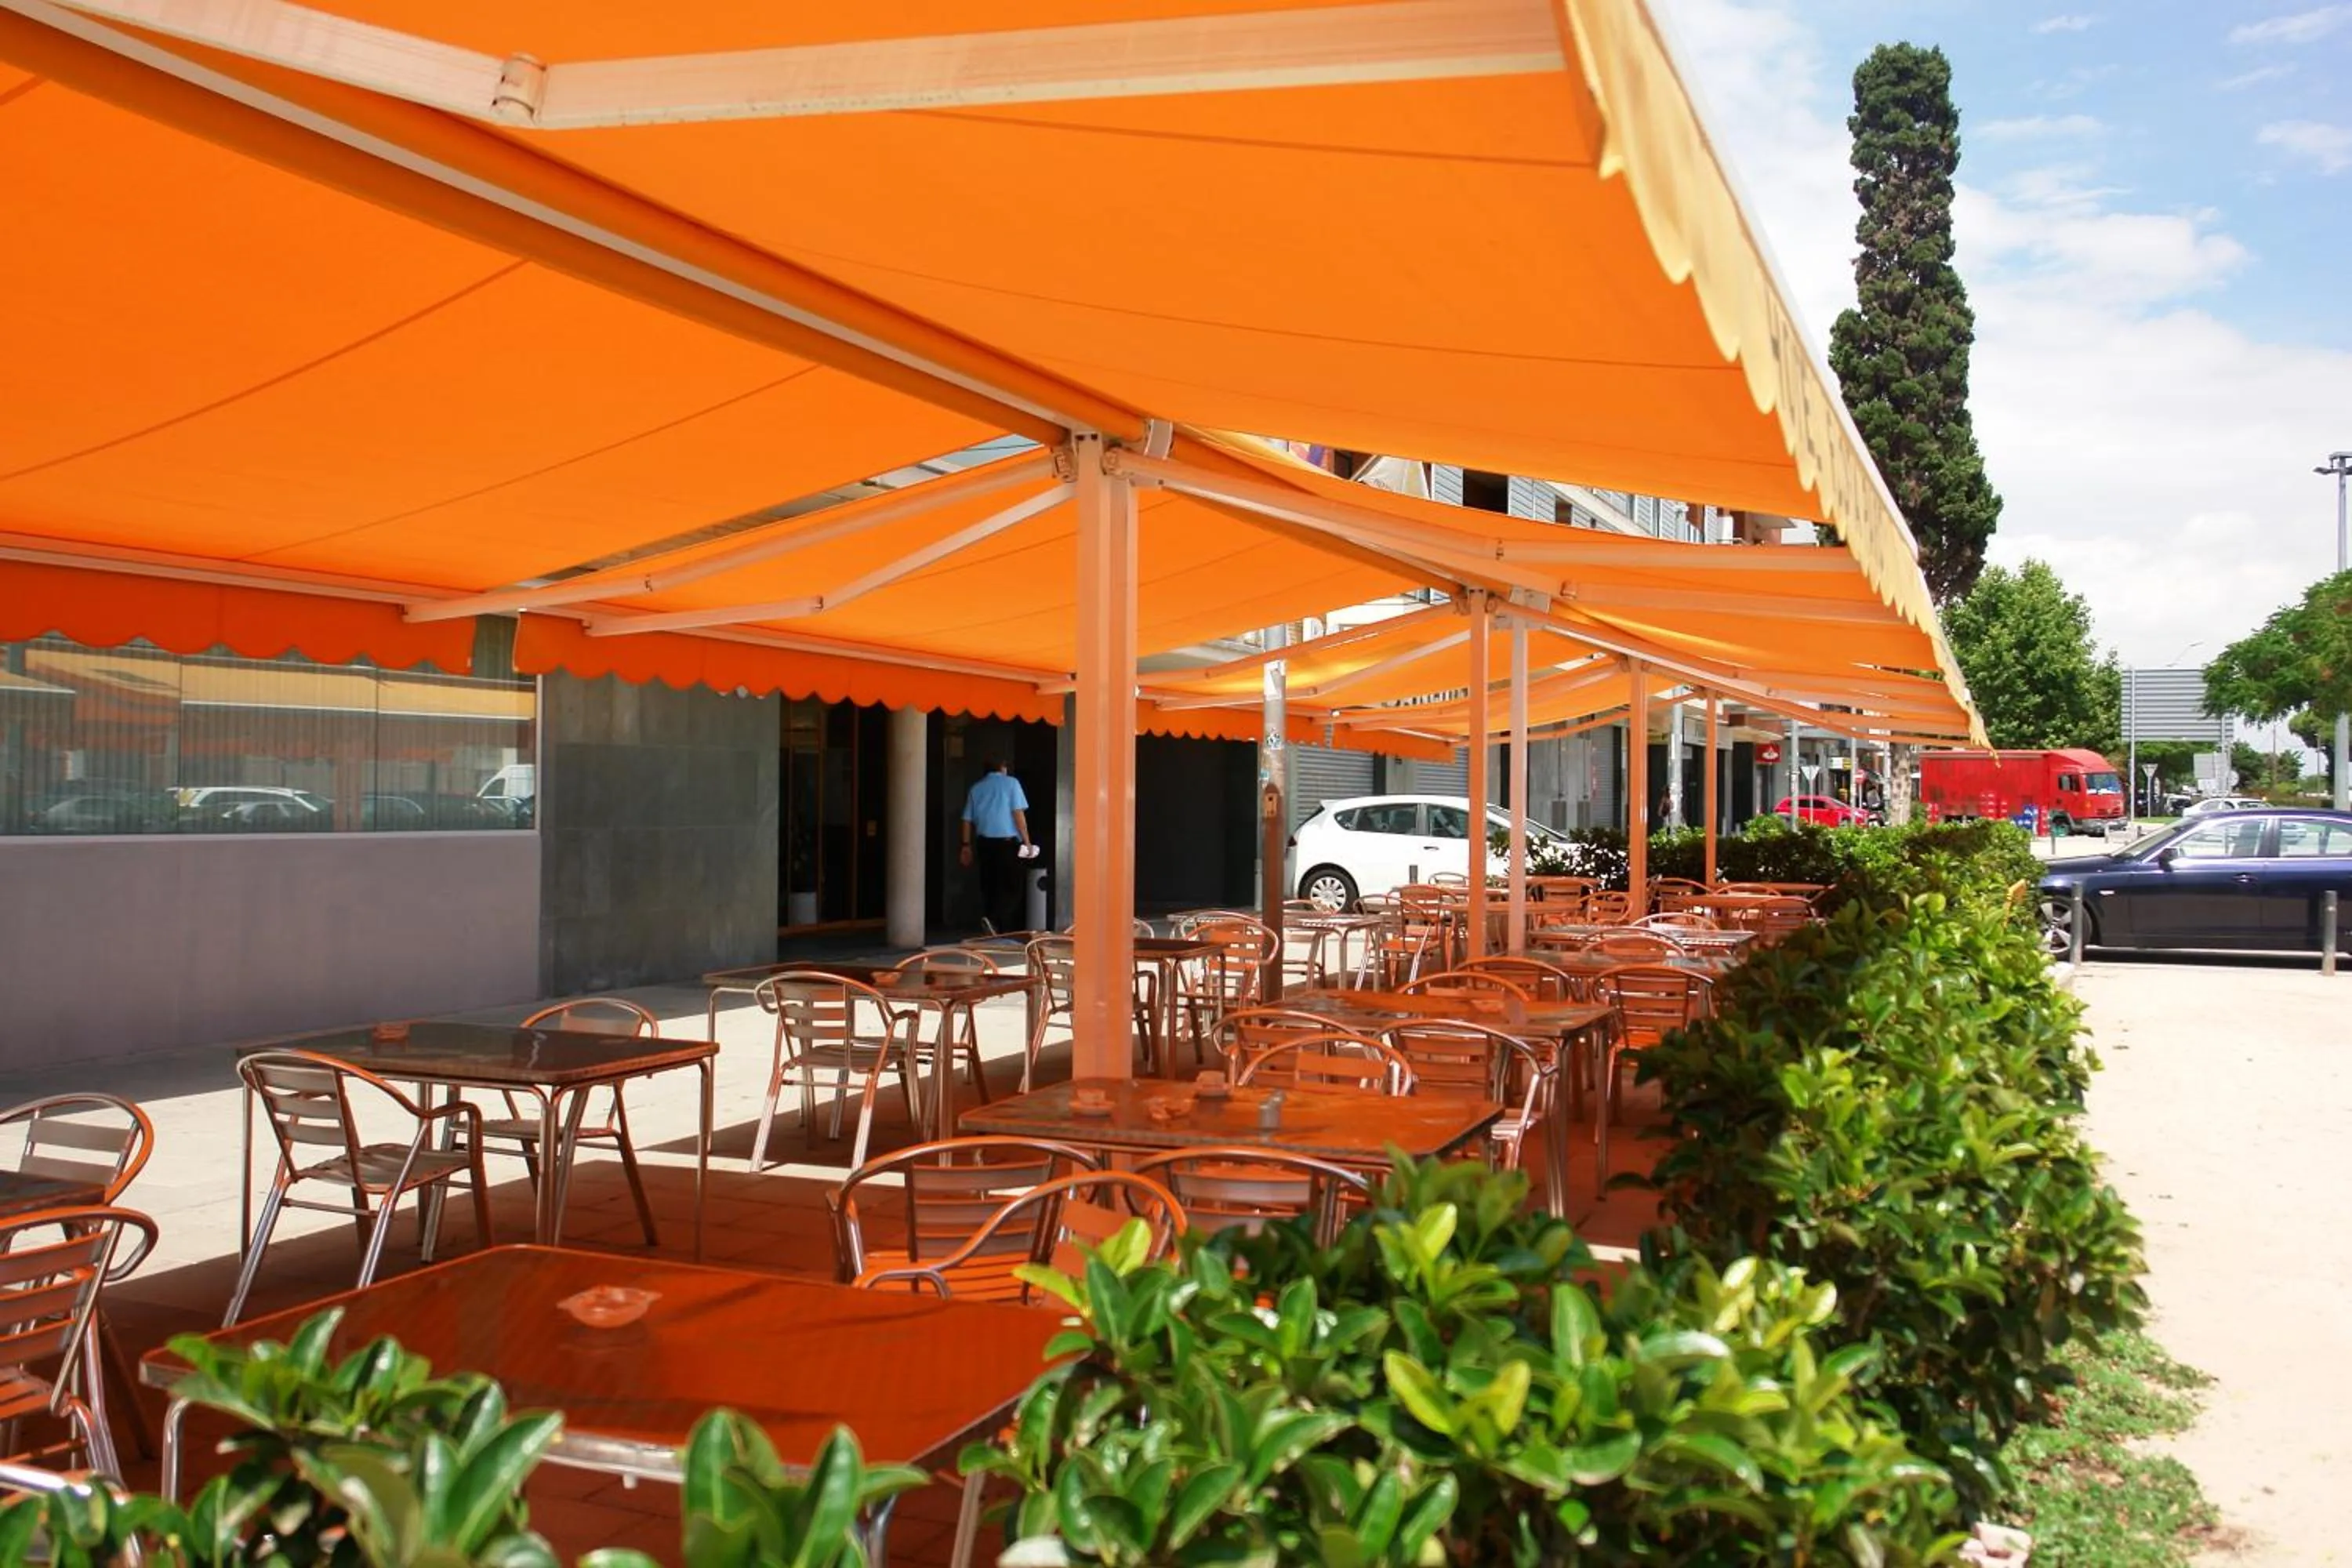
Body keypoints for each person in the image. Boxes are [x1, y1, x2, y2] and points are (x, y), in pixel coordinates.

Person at [960, 757, 1033, 935]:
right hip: (1007, 844)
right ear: (1003, 767)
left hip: (984, 844)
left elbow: (966, 820)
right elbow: (1018, 814)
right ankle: (997, 920)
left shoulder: (976, 788)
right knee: (1012, 885)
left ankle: (992, 922)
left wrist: (966, 845)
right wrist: (1027, 841)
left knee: (990, 884)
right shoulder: (1012, 784)